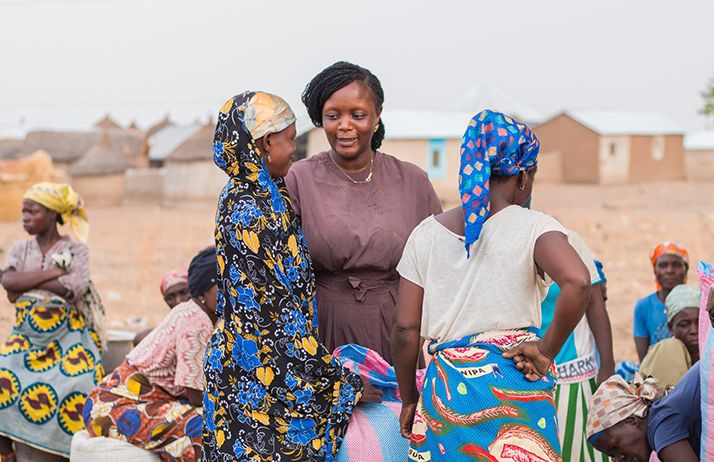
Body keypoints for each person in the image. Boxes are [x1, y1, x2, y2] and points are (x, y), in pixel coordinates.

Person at [392, 110, 591, 461]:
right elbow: (577, 282)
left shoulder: (425, 235)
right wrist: (546, 350)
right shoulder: (535, 228)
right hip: (516, 381)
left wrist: (410, 397)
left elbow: (406, 330)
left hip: (448, 394)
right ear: (524, 176)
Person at [204, 91, 380, 461]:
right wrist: (341, 383)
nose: (294, 151)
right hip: (257, 375)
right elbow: (273, 318)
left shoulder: (271, 195)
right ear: (267, 142)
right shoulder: (247, 210)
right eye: (289, 140)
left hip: (271, 368)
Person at [285, 62, 442, 363]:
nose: (345, 126)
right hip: (324, 329)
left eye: (357, 115)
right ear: (321, 119)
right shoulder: (298, 180)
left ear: (377, 116)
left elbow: (441, 264)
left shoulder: (412, 180)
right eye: (333, 116)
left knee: (396, 409)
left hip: (398, 329)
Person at [82, 247, 218, 461]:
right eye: (222, 287)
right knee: (199, 425)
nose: (232, 293)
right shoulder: (196, 321)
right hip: (114, 409)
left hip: (121, 404)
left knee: (189, 443)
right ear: (202, 292)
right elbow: (196, 396)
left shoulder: (196, 314)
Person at [0, 182, 102, 461]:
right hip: (26, 333)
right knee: (3, 374)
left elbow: (75, 288)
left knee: (82, 382)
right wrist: (55, 273)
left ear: (52, 213)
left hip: (67, 334)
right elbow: (7, 281)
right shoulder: (19, 249)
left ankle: (66, 452)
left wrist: (25, 281)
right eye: (23, 212)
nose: (25, 217)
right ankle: (5, 449)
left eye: (31, 211)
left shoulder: (77, 249)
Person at [538, 230, 614, 462]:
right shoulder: (499, 241)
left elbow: (595, 305)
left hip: (574, 377)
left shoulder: (569, 241)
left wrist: (608, 366)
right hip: (526, 375)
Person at [587, 364, 701, 462]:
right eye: (612, 456)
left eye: (615, 447)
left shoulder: (662, 428)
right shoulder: (661, 417)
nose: (619, 458)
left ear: (631, 420)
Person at [634, 242, 689, 361]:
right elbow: (644, 360)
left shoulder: (696, 303)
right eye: (663, 265)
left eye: (676, 265)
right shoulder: (643, 307)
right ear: (654, 270)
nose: (669, 271)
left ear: (686, 269)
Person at [640, 284, 700, 388]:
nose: (694, 330)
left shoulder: (706, 353)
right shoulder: (669, 349)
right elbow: (676, 401)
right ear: (671, 328)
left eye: (699, 323)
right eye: (684, 324)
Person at [132, 270, 190, 346]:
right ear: (166, 301)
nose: (178, 301)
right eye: (170, 297)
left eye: (184, 292)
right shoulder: (168, 326)